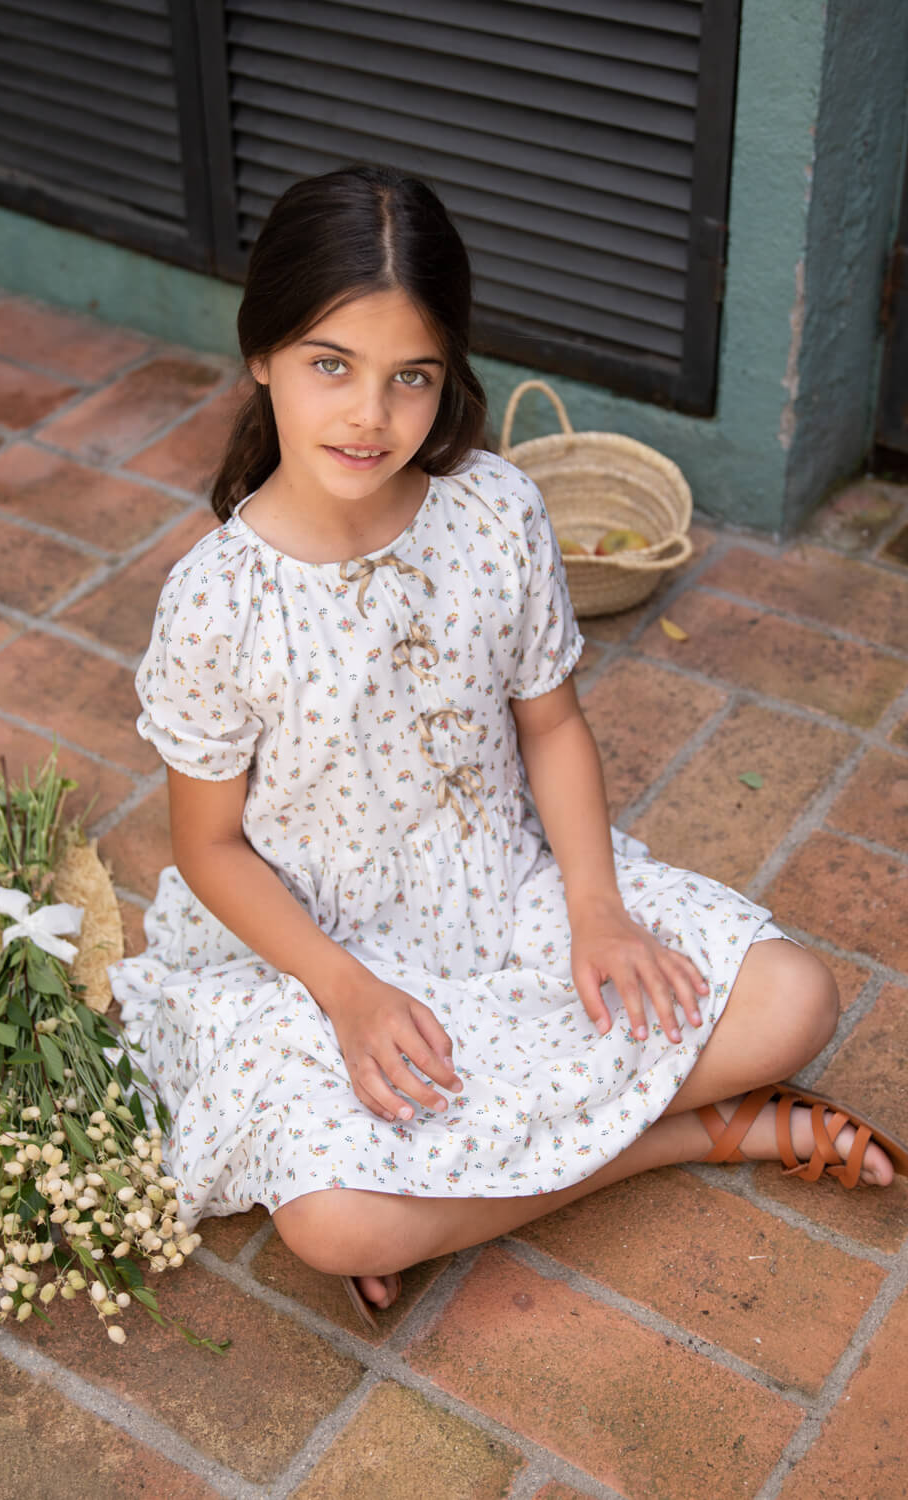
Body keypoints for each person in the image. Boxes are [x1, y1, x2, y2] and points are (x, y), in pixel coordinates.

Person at [109, 165, 906, 1327]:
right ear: (262, 356)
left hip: (506, 887)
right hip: (315, 949)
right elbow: (212, 847)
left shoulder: (492, 512)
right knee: (333, 1221)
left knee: (790, 1002)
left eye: (410, 377)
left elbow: (552, 724)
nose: (369, 416)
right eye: (330, 365)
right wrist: (346, 996)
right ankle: (689, 1137)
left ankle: (467, 1188)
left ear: (448, 378)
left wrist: (595, 908)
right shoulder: (217, 603)